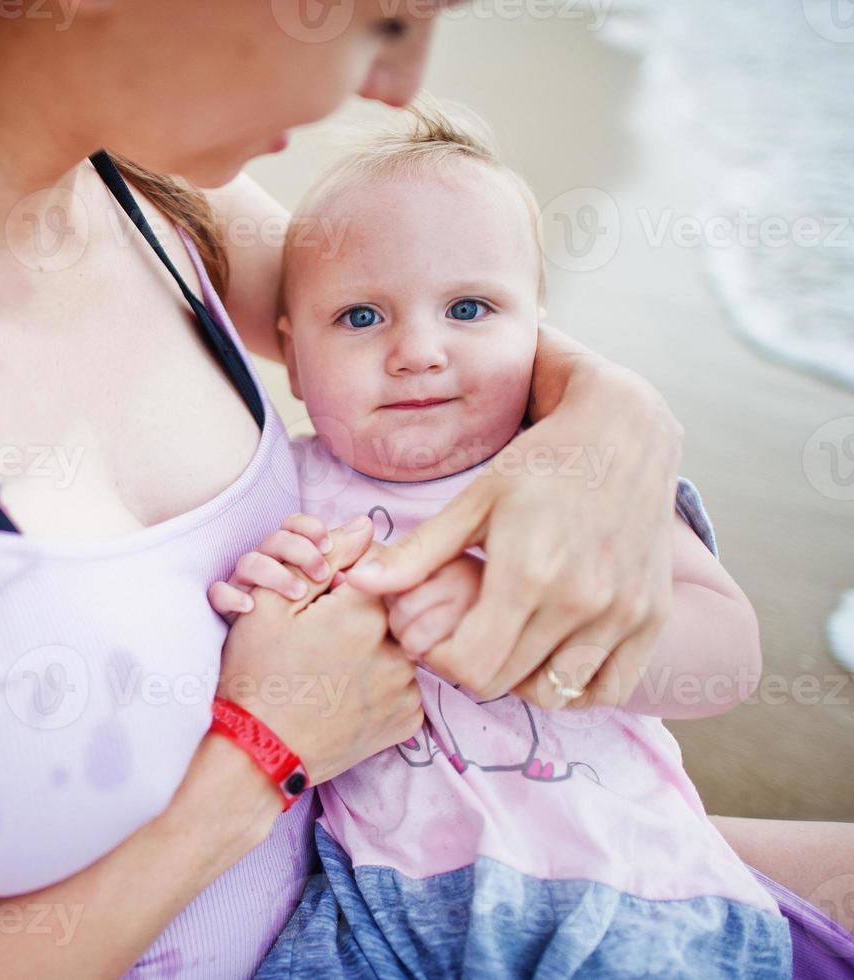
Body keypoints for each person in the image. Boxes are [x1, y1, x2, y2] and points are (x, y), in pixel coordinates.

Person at [0, 2, 852, 976]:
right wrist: (259, 764)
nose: (396, 81)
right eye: (379, 12)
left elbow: (428, 329)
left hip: (409, 874)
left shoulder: (149, 204)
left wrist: (617, 420)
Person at [209, 105, 800, 977]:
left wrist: (520, 624)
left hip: (630, 893)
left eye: (468, 307)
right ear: (291, 359)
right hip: (368, 912)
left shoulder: (573, 475)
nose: (417, 350)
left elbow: (728, 661)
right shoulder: (282, 485)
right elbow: (243, 623)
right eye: (361, 318)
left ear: (538, 331)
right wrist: (264, 588)